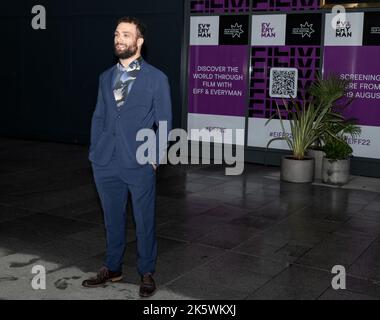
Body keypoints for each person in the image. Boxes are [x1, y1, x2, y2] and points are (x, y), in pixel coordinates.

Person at [82, 16, 172, 298]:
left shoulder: (157, 78)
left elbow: (165, 121)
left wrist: (155, 157)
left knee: (144, 219)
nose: (119, 39)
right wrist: (94, 152)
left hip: (140, 161)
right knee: (112, 218)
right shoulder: (105, 77)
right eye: (116, 34)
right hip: (105, 161)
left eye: (126, 34)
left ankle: (146, 272)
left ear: (139, 41)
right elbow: (99, 116)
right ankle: (113, 267)